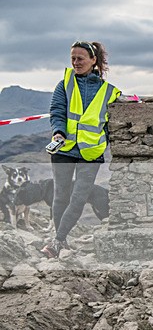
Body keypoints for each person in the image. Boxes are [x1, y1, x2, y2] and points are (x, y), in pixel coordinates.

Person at [42, 41, 121, 258]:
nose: (76, 63)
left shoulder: (109, 92)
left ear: (93, 60)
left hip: (91, 152)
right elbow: (56, 110)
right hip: (64, 149)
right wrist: (58, 131)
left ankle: (57, 241)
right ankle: (61, 241)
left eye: (80, 58)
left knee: (79, 198)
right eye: (73, 59)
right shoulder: (64, 84)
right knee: (61, 197)